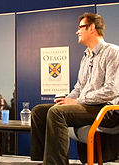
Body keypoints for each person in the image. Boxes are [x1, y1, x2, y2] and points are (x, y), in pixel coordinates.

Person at [31, 12, 119, 165]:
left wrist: (77, 101)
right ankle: (44, 161)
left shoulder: (113, 52)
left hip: (107, 109)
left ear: (92, 28)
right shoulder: (86, 56)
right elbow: (79, 86)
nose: (77, 31)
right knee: (39, 112)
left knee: (56, 113)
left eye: (80, 27)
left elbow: (111, 90)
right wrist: (67, 100)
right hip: (86, 106)